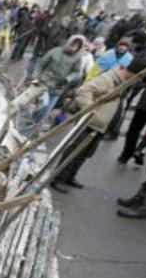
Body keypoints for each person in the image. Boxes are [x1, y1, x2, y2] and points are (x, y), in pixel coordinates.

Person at [51, 63, 137, 193]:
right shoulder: (109, 79)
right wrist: (90, 111)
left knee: (86, 153)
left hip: (101, 125)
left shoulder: (123, 83)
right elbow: (84, 90)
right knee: (75, 150)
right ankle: (57, 177)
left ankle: (70, 176)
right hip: (90, 123)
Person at [24, 34, 85, 135]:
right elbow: (41, 65)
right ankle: (31, 124)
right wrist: (35, 80)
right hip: (43, 84)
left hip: (57, 88)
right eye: (73, 44)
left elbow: (76, 72)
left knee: (47, 110)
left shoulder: (78, 58)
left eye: (77, 46)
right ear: (69, 43)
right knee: (42, 106)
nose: (74, 48)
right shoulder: (55, 51)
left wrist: (67, 79)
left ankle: (35, 130)